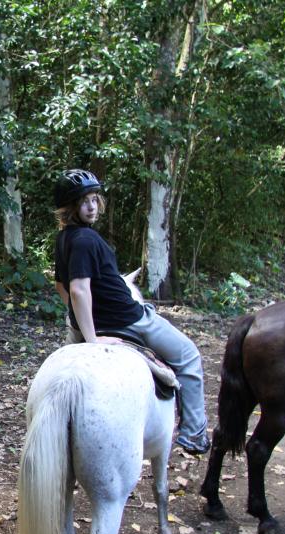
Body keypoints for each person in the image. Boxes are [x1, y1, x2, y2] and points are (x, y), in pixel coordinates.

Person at [52, 168, 210, 454]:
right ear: (70, 207)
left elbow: (60, 286)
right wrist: (92, 338)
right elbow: (77, 289)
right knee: (188, 355)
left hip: (88, 323)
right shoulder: (86, 240)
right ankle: (193, 433)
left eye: (94, 199)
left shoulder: (64, 239)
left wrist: (78, 320)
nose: (91, 206)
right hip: (128, 319)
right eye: (83, 201)